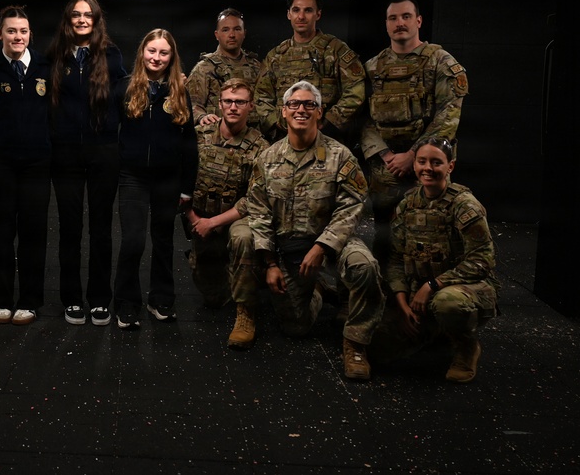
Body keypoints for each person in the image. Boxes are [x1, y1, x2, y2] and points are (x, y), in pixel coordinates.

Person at [247, 80, 383, 379]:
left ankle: (356, 344)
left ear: (320, 113)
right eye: (294, 104)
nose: (301, 109)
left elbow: (353, 206)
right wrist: (270, 263)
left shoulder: (341, 156)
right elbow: (258, 211)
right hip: (290, 245)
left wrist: (323, 246)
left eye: (310, 104)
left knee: (364, 266)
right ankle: (319, 289)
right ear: (283, 112)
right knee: (295, 327)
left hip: (335, 241)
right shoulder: (267, 159)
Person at [369, 137, 498, 383]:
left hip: (464, 289)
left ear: (450, 166)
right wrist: (402, 302)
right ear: (415, 165)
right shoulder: (409, 204)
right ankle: (434, 331)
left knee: (449, 304)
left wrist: (433, 286)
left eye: (436, 162)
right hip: (419, 294)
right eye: (422, 161)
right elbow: (396, 258)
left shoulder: (464, 205)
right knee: (377, 345)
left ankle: (465, 346)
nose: (428, 168)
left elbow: (482, 260)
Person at [360, 0, 468, 263]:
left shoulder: (440, 62)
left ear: (418, 21)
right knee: (384, 231)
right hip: (386, 167)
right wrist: (385, 155)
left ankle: (427, 292)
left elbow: (448, 115)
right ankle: (387, 291)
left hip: (428, 165)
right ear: (386, 24)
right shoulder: (372, 68)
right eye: (393, 18)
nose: (400, 23)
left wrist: (413, 156)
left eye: (406, 16)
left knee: (431, 229)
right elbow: (362, 117)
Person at [0, 6, 51, 326]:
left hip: (37, 165)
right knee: (1, 233)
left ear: (30, 35)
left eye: (24, 31)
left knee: (33, 234)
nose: (18, 37)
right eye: (12, 31)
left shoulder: (45, 67)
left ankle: (29, 300)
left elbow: (54, 118)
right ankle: (2, 298)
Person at [47, 0, 127, 326]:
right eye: (76, 15)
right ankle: (71, 298)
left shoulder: (111, 54)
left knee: (100, 229)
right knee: (70, 227)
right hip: (64, 152)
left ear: (95, 20)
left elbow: (127, 93)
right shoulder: (54, 56)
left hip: (103, 152)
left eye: (88, 15)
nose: (82, 20)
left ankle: (98, 299)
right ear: (68, 20)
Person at [113, 29, 198, 330]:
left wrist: (187, 189)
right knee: (133, 242)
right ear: (142, 53)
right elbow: (110, 136)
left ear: (171, 57)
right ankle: (126, 302)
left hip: (168, 179)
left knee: (163, 242)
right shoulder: (124, 88)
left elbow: (189, 143)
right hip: (133, 178)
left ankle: (160, 299)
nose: (156, 58)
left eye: (163, 53)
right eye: (151, 51)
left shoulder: (179, 92)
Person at [186, 79, 268, 348]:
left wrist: (214, 222)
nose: (234, 107)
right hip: (198, 217)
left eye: (240, 102)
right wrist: (194, 219)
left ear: (250, 106)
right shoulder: (199, 136)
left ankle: (246, 314)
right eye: (228, 101)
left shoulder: (260, 147)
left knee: (244, 238)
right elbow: (180, 179)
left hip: (236, 219)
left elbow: (256, 197)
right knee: (213, 298)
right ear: (219, 104)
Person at [254, 0, 365, 142]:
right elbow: (261, 96)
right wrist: (279, 122)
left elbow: (356, 90)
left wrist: (329, 121)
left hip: (327, 138)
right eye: (296, 10)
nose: (301, 16)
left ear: (318, 14)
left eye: (308, 10)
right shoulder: (276, 56)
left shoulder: (335, 50)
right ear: (289, 14)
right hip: (284, 140)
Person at [186, 8, 262, 128]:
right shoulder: (204, 68)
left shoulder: (256, 67)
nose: (232, 35)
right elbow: (191, 104)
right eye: (225, 30)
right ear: (217, 35)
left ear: (244, 33)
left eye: (237, 29)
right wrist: (201, 117)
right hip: (217, 137)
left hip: (252, 136)